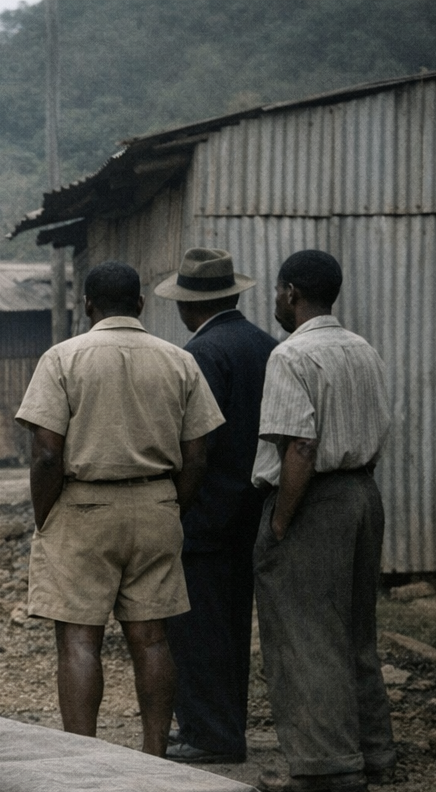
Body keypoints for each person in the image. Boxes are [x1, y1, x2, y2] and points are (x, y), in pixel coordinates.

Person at [16, 261, 223, 757]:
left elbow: (47, 453)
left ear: (87, 305)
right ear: (140, 304)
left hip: (84, 504)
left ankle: (86, 760)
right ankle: (154, 757)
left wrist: (45, 516)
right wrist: (172, 506)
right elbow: (198, 455)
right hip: (156, 504)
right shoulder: (179, 360)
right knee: (151, 639)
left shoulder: (63, 358)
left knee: (79, 640)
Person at [253, 250, 393, 792]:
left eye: (277, 293)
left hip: (313, 497)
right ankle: (374, 752)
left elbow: (302, 447)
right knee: (357, 628)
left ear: (290, 292)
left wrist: (283, 520)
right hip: (362, 492)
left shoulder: (291, 355)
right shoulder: (363, 349)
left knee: (305, 633)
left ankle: (327, 762)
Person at [152, 249, 278, 764]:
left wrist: (177, 506)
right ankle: (228, 726)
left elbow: (196, 445)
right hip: (253, 507)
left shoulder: (201, 354)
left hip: (205, 513)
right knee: (231, 625)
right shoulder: (266, 345)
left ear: (187, 306)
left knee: (197, 627)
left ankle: (209, 734)